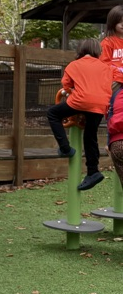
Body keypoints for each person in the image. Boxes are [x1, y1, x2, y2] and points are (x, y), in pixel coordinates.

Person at [47, 38, 113, 191]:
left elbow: (67, 85)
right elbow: (106, 85)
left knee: (53, 114)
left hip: (80, 101)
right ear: (98, 51)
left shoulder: (74, 65)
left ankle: (65, 148)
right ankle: (93, 171)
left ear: (80, 51)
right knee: (90, 136)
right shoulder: (106, 67)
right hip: (100, 104)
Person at [100, 4, 123, 95]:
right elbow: (104, 64)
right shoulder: (108, 42)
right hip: (115, 80)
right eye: (120, 22)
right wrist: (119, 72)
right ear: (113, 22)